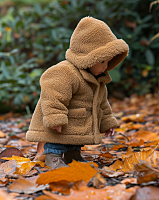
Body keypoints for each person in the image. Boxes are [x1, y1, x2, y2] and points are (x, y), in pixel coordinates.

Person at [26, 16, 129, 169]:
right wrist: (55, 117)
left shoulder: (98, 81)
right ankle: (53, 158)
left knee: (75, 141)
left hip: (79, 122)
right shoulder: (65, 71)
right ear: (88, 56)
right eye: (102, 61)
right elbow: (53, 94)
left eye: (108, 62)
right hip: (62, 121)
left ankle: (73, 157)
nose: (105, 67)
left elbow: (102, 104)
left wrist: (107, 122)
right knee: (57, 140)